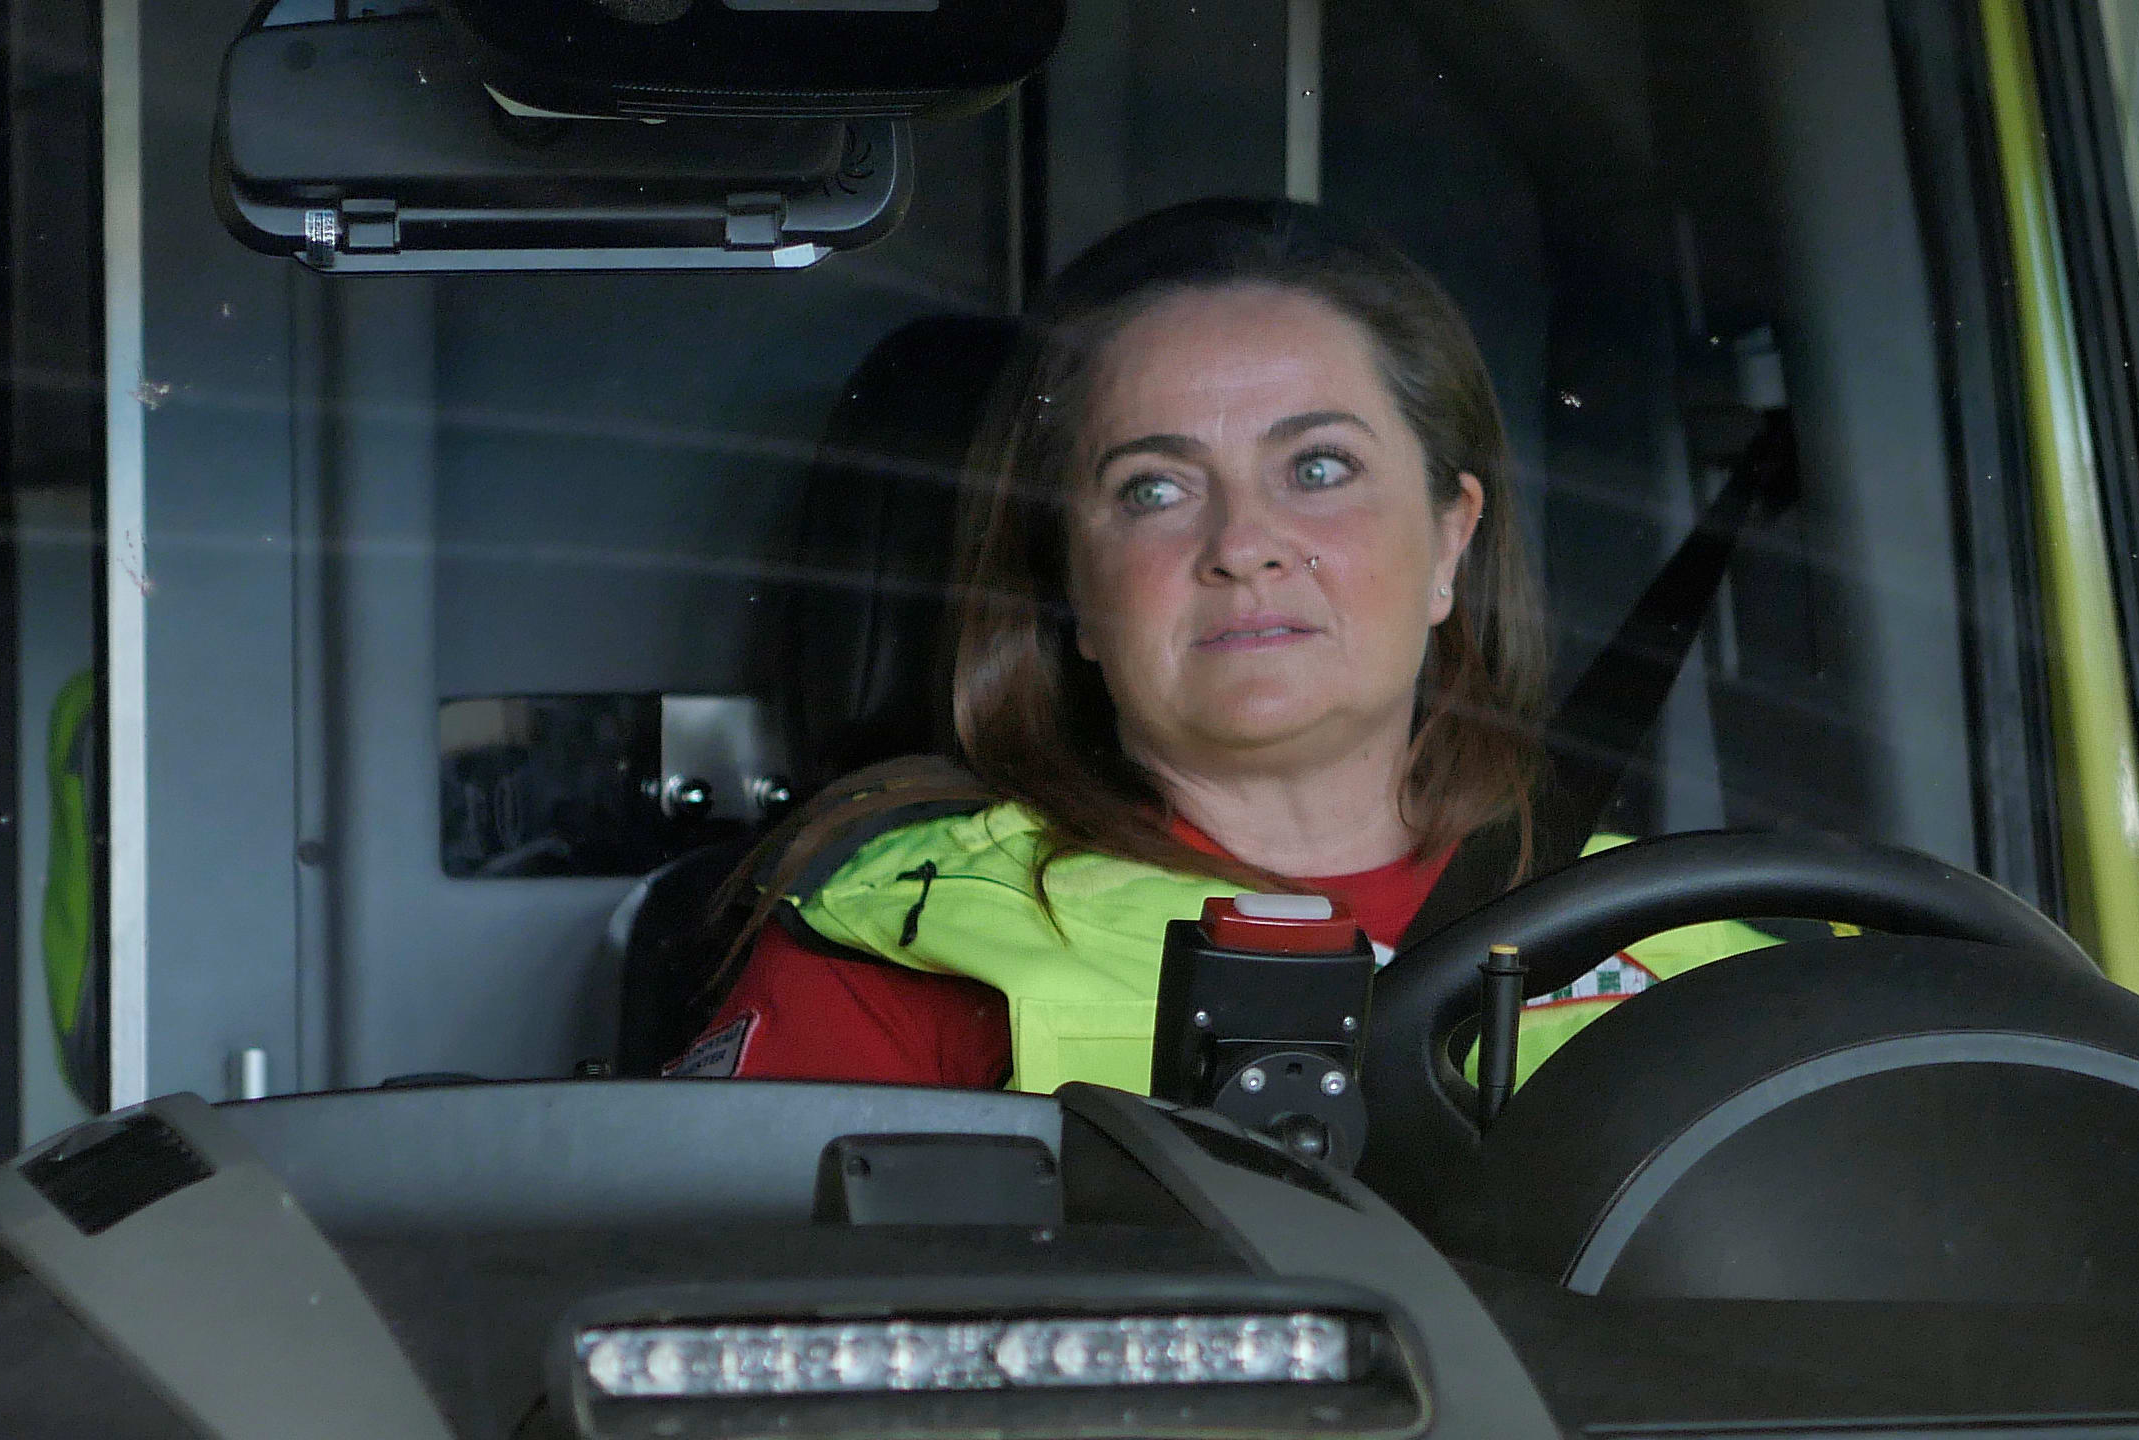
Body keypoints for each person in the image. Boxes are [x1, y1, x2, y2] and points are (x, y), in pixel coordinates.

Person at [679, 198, 1753, 1091]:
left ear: (1450, 541)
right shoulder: (906, 946)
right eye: (1154, 489)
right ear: (1073, 585)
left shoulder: (1690, 939)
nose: (1242, 545)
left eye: (1319, 469)